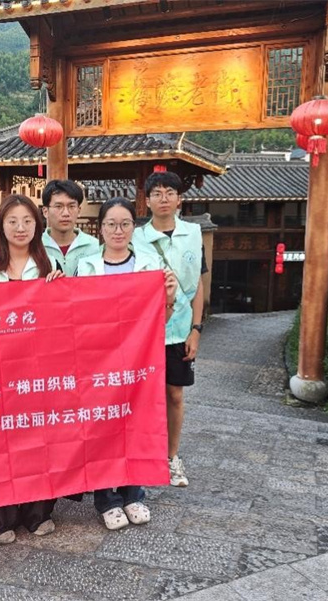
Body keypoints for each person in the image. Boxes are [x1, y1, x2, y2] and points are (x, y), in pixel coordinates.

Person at [77, 198, 179, 530]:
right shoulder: (86, 266)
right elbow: (75, 316)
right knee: (103, 426)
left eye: (124, 224)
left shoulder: (150, 265)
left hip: (138, 360)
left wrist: (169, 297)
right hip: (98, 360)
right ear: (100, 228)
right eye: (111, 224)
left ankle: (134, 493)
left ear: (134, 228)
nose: (117, 230)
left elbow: (161, 319)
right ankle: (107, 498)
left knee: (136, 423)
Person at [0, 194, 63, 543]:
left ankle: (37, 513)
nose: (20, 227)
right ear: (0, 226)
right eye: (12, 221)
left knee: (40, 441)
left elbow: (66, 320)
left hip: (40, 371)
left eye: (27, 220)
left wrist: (59, 291)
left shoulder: (50, 266)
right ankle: (0, 519)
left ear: (38, 225)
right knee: (0, 444)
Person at [133, 171, 205, 488]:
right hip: (146, 332)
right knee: (140, 396)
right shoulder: (136, 238)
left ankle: (171, 456)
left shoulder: (194, 233)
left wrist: (196, 329)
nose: (164, 198)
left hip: (180, 331)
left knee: (175, 394)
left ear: (179, 199)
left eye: (170, 192)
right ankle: (141, 455)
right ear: (147, 201)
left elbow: (199, 283)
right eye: (157, 193)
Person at [40, 179, 99, 276]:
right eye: (58, 207)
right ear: (45, 211)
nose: (66, 213)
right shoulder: (36, 246)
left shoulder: (94, 247)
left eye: (71, 206)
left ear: (79, 211)